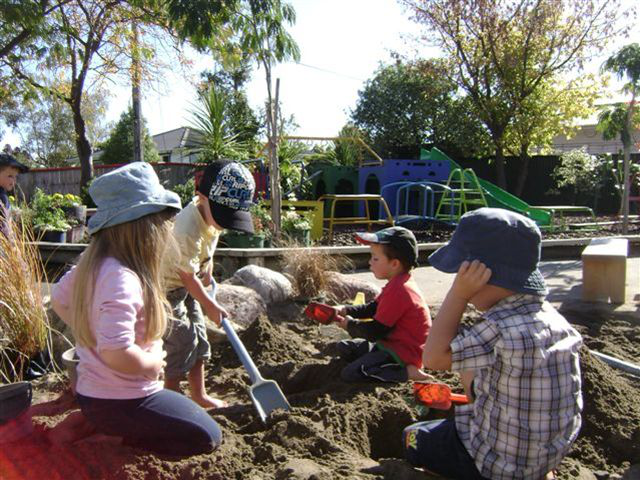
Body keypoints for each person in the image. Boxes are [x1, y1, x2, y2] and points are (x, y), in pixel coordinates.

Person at [50, 162, 222, 455]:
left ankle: (94, 424)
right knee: (207, 435)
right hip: (126, 400)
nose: (168, 231)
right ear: (145, 229)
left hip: (93, 395)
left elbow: (58, 298)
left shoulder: (92, 263)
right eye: (164, 224)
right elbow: (116, 352)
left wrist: (87, 329)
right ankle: (114, 438)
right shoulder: (123, 279)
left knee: (193, 423)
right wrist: (151, 364)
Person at [403, 208, 582, 480]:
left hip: (494, 465)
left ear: (480, 275)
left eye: (460, 276)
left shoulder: (498, 327)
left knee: (413, 437)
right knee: (475, 369)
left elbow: (433, 358)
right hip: (545, 458)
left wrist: (458, 295)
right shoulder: (557, 323)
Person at [162, 160, 255, 409]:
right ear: (201, 196)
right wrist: (211, 304)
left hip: (188, 285)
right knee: (182, 341)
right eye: (224, 214)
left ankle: (199, 395)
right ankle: (169, 399)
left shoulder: (210, 216)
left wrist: (208, 267)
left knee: (200, 339)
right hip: (167, 291)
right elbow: (185, 276)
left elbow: (208, 246)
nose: (226, 223)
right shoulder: (186, 227)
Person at [332, 226, 432, 383]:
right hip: (389, 344)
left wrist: (349, 325)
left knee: (350, 373)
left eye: (375, 258)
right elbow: (372, 308)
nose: (370, 262)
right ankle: (379, 363)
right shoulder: (397, 283)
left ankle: (407, 372)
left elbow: (375, 331)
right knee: (345, 347)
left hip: (402, 354)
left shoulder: (400, 290)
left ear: (394, 264)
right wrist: (345, 310)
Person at [0, 152, 29, 236]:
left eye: (15, 176)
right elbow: (5, 227)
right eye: (10, 176)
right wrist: (12, 243)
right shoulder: (2, 198)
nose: (14, 181)